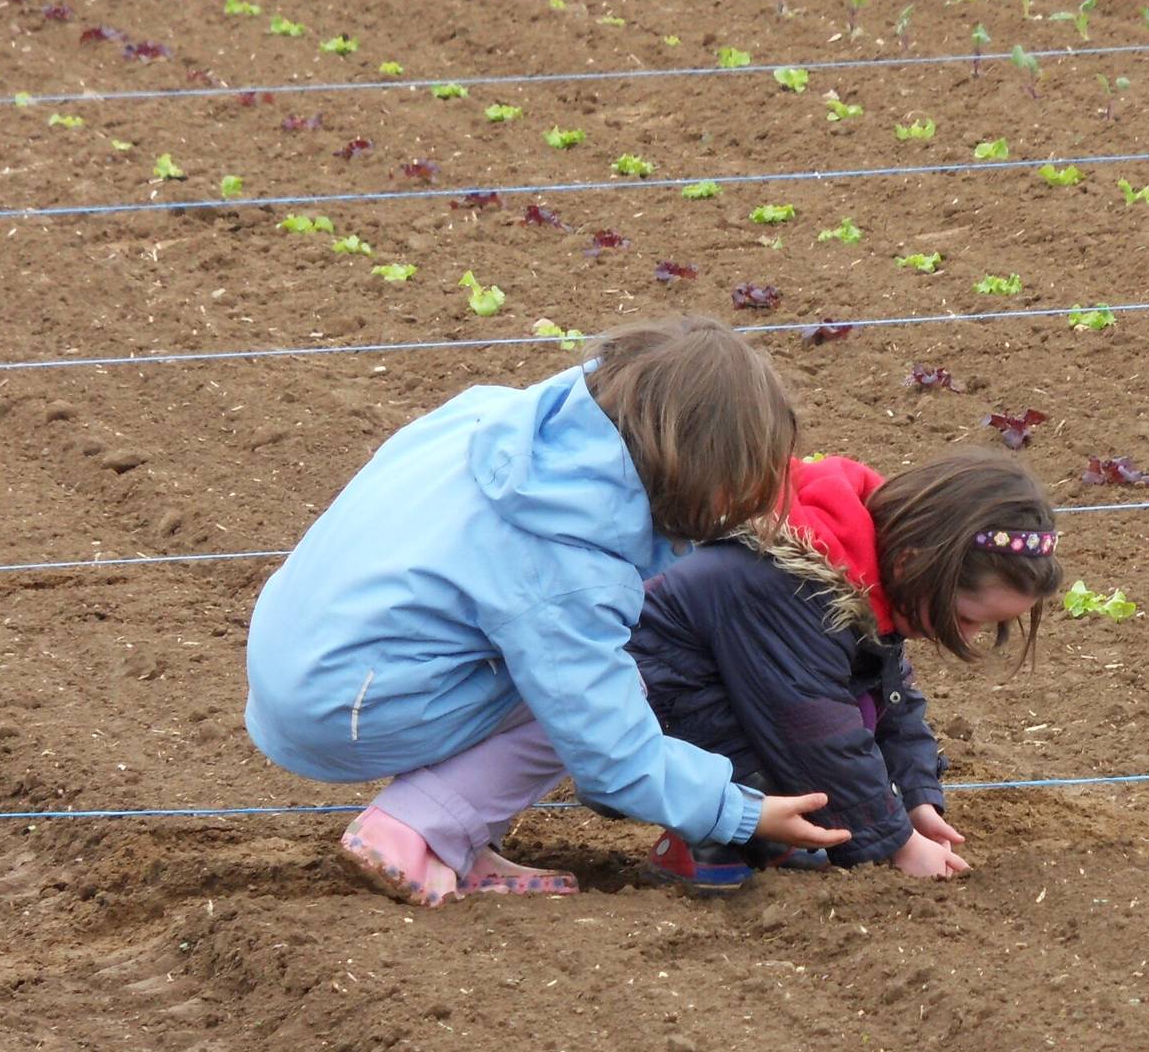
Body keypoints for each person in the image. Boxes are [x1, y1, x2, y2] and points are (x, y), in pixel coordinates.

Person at [242, 317, 852, 907]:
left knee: (534, 651)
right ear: (699, 463)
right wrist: (740, 811)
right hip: (341, 704)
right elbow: (610, 751)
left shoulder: (503, 421)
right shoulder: (566, 558)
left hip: (296, 648)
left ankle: (458, 833)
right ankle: (415, 832)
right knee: (592, 693)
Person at [624, 449, 1062, 890]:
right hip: (637, 712)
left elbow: (892, 700)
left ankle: (762, 830)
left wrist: (916, 801)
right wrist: (900, 844)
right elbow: (815, 732)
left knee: (862, 712)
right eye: (966, 618)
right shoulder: (794, 587)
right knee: (819, 748)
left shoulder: (859, 567)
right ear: (912, 563)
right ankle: (709, 841)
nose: (967, 635)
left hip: (713, 699)